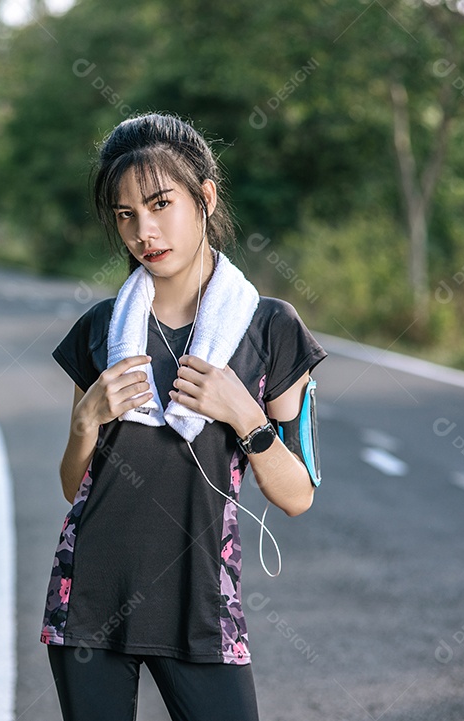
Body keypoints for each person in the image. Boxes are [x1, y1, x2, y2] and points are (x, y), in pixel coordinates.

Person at [41, 112, 327, 721]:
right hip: (87, 599)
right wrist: (86, 420)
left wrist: (244, 414)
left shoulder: (271, 328)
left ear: (205, 197)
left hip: (202, 607)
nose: (145, 230)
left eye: (160, 204)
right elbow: (75, 488)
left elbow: (297, 495)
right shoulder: (100, 331)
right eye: (125, 215)